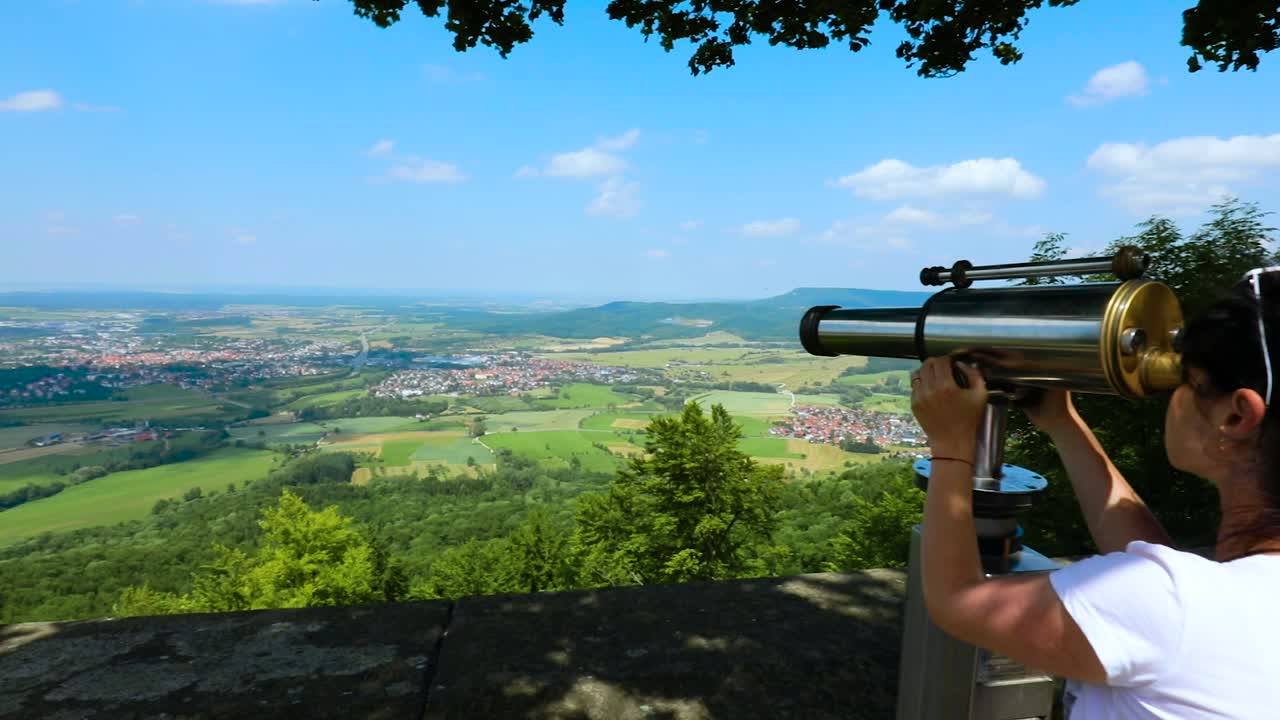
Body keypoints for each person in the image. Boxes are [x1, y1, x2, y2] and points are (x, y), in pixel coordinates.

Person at [908, 269, 1280, 719]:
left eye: (1187, 379)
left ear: (1237, 416)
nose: (1171, 394)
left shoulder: (1170, 607)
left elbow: (958, 602)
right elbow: (1168, 578)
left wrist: (950, 448)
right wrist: (1064, 424)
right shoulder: (1212, 600)